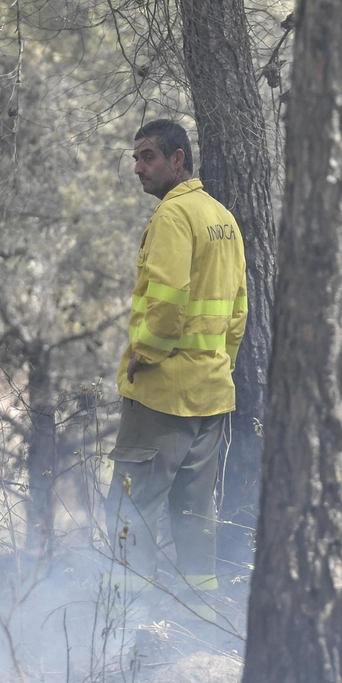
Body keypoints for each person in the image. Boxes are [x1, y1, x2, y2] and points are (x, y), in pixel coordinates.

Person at [106, 119, 247, 623]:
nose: (140, 168)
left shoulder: (174, 216)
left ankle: (127, 626)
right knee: (194, 514)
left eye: (148, 157)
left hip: (163, 394)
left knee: (130, 508)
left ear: (178, 160)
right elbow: (238, 312)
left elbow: (166, 302)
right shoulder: (222, 217)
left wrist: (145, 352)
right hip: (211, 391)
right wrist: (218, 365)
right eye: (136, 158)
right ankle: (202, 623)